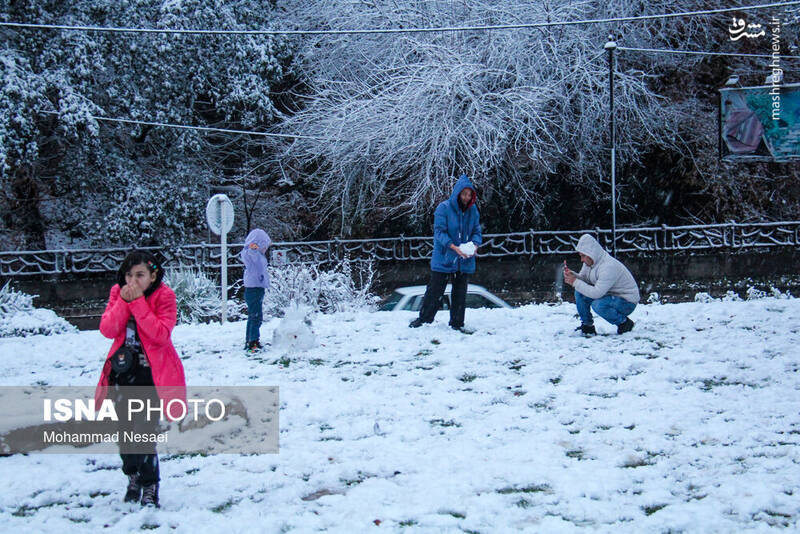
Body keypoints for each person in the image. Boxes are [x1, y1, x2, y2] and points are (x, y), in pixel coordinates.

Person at [95, 251, 186, 508]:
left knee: (144, 433)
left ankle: (150, 485)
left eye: (140, 275)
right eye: (128, 275)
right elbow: (108, 329)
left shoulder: (165, 296)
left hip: (151, 377)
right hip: (123, 375)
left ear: (153, 275)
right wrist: (124, 301)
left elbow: (159, 334)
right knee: (124, 433)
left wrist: (137, 303)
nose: (132, 281)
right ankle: (132, 476)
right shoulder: (118, 292)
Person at [409, 174, 482, 332]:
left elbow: (477, 230)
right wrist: (453, 247)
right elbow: (439, 232)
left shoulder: (473, 210)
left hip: (464, 259)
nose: (466, 197)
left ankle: (457, 323)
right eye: (464, 194)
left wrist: (475, 244)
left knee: (460, 292)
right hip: (444, 257)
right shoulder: (444, 208)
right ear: (458, 193)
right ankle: (424, 319)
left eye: (469, 195)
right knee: (435, 290)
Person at [563, 234, 640, 335]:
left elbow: (597, 293)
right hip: (610, 295)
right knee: (580, 292)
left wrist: (575, 282)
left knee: (598, 305)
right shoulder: (589, 262)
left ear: (591, 254)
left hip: (627, 302)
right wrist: (574, 276)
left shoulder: (608, 266)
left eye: (583, 256)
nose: (581, 260)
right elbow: (585, 280)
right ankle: (587, 326)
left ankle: (624, 323)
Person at [241, 228, 272, 352]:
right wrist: (253, 248)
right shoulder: (251, 253)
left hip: (256, 287)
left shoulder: (257, 255)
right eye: (264, 246)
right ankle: (252, 341)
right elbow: (251, 254)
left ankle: (251, 339)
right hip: (254, 288)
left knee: (254, 315)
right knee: (255, 316)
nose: (265, 249)